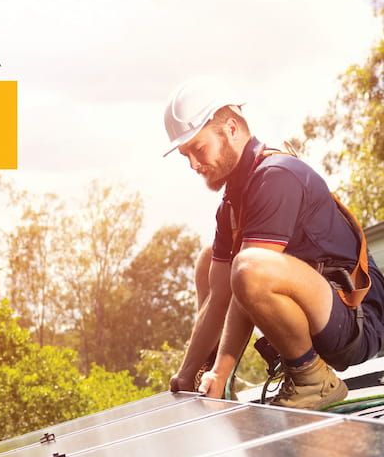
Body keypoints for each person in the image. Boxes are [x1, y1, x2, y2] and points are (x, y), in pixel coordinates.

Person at [162, 77, 384, 409]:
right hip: (322, 315)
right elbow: (219, 297)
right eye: (186, 155)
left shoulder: (277, 176)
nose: (194, 164)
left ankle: (313, 379)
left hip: (356, 321)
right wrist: (188, 372)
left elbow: (247, 281)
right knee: (211, 260)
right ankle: (210, 377)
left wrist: (222, 370)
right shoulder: (231, 205)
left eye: (199, 149)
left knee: (247, 266)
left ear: (231, 129)